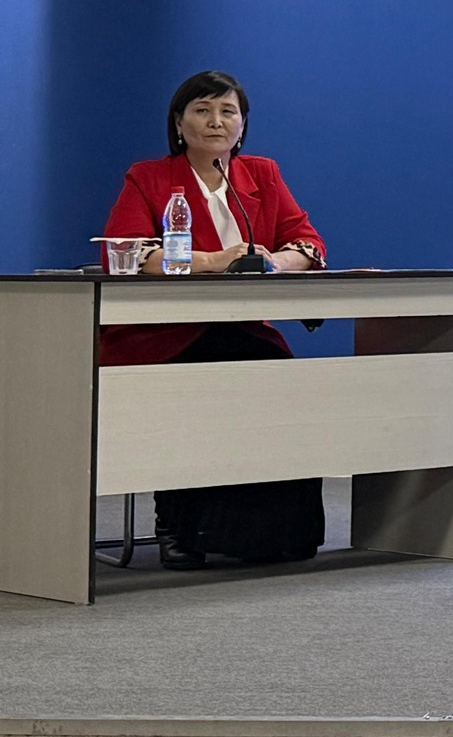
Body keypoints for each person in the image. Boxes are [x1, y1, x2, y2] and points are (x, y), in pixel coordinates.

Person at [99, 70, 328, 570]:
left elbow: (308, 243)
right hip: (161, 335)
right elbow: (127, 252)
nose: (216, 122)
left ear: (242, 125)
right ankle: (177, 526)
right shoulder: (149, 177)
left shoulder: (262, 175)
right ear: (179, 124)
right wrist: (212, 260)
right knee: (203, 385)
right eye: (202, 111)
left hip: (241, 327)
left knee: (282, 382)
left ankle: (277, 534)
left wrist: (273, 260)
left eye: (228, 112)